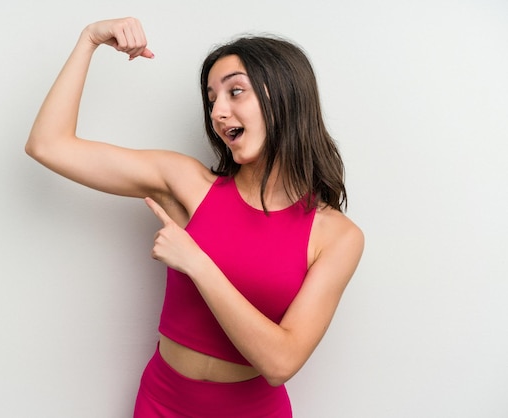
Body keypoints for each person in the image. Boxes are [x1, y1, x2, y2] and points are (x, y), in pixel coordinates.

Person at [26, 16, 364, 418]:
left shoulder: (336, 235)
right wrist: (89, 40)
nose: (219, 111)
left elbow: (280, 363)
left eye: (235, 92)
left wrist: (197, 262)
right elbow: (48, 145)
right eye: (211, 99)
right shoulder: (187, 184)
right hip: (161, 402)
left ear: (286, 98)